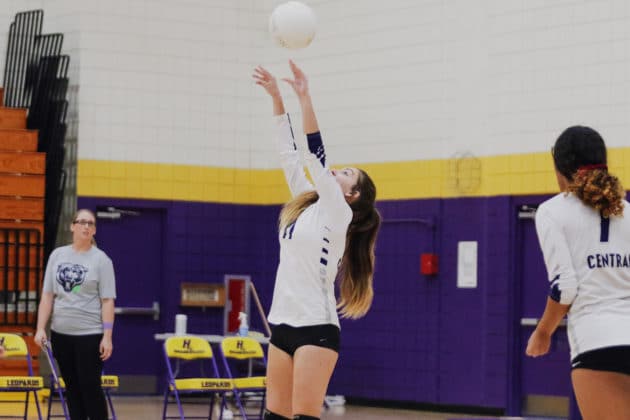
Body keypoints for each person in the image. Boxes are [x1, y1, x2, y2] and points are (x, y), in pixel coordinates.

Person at [253, 61, 381, 420]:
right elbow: (289, 155)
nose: (338, 172)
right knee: (275, 416)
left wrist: (305, 97)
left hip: (316, 327)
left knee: (304, 417)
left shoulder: (339, 214)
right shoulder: (306, 201)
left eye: (347, 174)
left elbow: (315, 156)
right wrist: (277, 97)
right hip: (282, 322)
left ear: (352, 195)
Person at [525, 126, 630, 419]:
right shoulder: (628, 211)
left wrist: (543, 332)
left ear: (560, 170)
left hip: (597, 342)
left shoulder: (551, 212)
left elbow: (565, 288)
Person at [35, 209, 116, 420]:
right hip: (61, 335)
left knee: (90, 387)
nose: (86, 226)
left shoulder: (102, 260)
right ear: (72, 226)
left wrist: (107, 337)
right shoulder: (57, 255)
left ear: (94, 230)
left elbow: (107, 301)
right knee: (72, 388)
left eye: (90, 224)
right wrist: (40, 328)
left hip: (89, 335)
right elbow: (47, 296)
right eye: (82, 222)